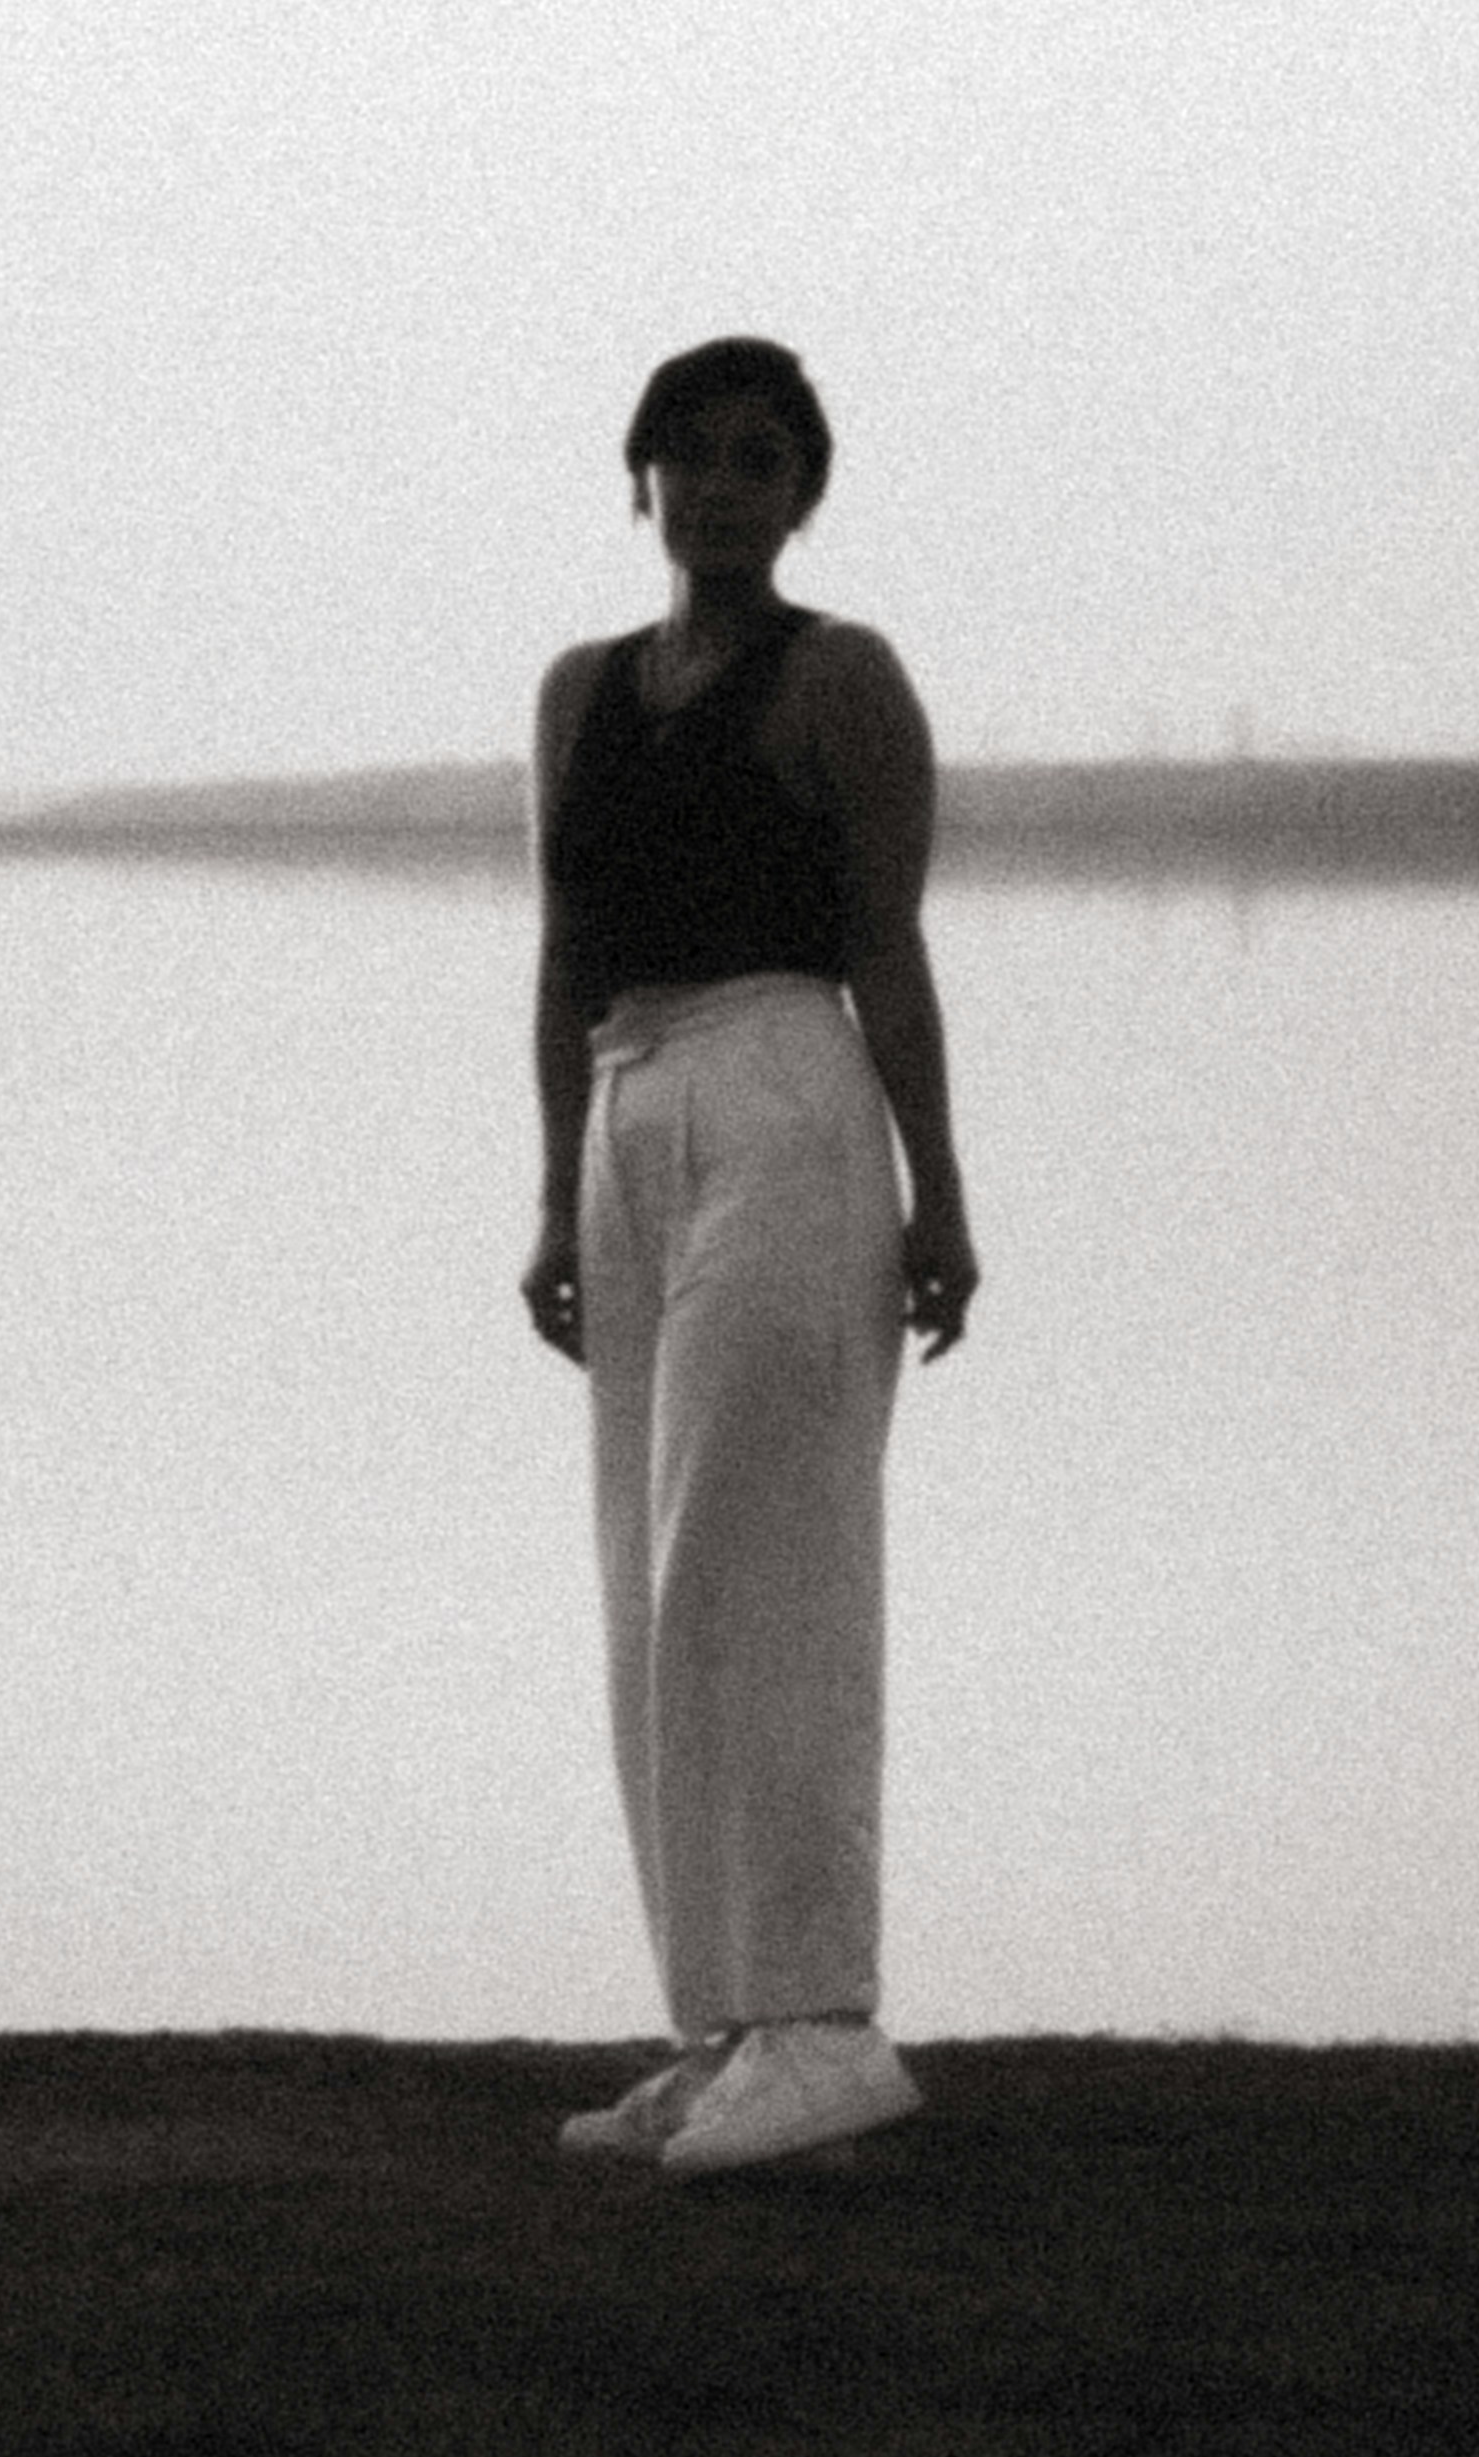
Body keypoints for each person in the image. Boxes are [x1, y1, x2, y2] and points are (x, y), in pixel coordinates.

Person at [522, 336, 978, 2175]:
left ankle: (822, 2022)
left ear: (805, 491)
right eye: (689, 455)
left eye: (760, 458)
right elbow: (561, 959)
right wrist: (558, 1191)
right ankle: (724, 2027)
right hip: (631, 1108)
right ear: (640, 476)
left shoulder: (838, 679)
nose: (721, 486)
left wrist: (938, 1193)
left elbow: (890, 947)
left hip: (787, 1091)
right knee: (648, 1585)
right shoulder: (580, 694)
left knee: (762, 1563)